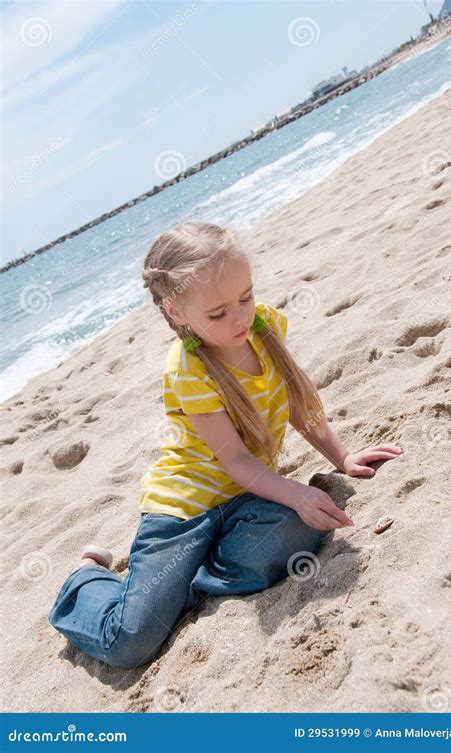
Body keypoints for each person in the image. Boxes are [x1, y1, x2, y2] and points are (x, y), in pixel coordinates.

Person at [48, 221, 403, 669]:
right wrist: (295, 490)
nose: (239, 318)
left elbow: (296, 405)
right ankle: (86, 578)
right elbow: (233, 458)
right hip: (182, 512)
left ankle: (185, 584)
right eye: (217, 313)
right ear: (177, 312)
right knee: (129, 643)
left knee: (297, 534)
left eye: (246, 297)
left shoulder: (263, 326)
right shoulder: (187, 368)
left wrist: (342, 456)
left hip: (246, 499)